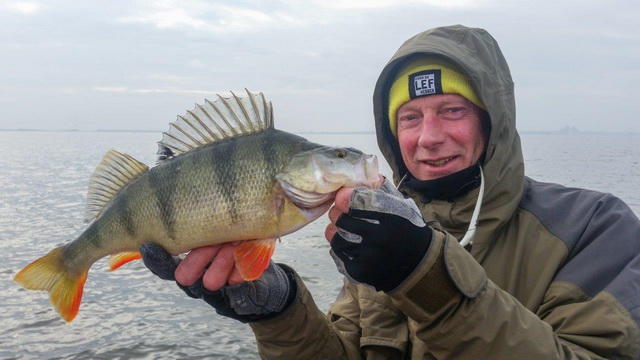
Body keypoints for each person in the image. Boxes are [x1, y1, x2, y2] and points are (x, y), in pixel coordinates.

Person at [140, 25, 640, 359]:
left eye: (452, 110)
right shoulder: (383, 232)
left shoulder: (595, 228)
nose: (428, 136)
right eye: (409, 117)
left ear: (494, 122)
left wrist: (426, 277)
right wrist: (277, 308)